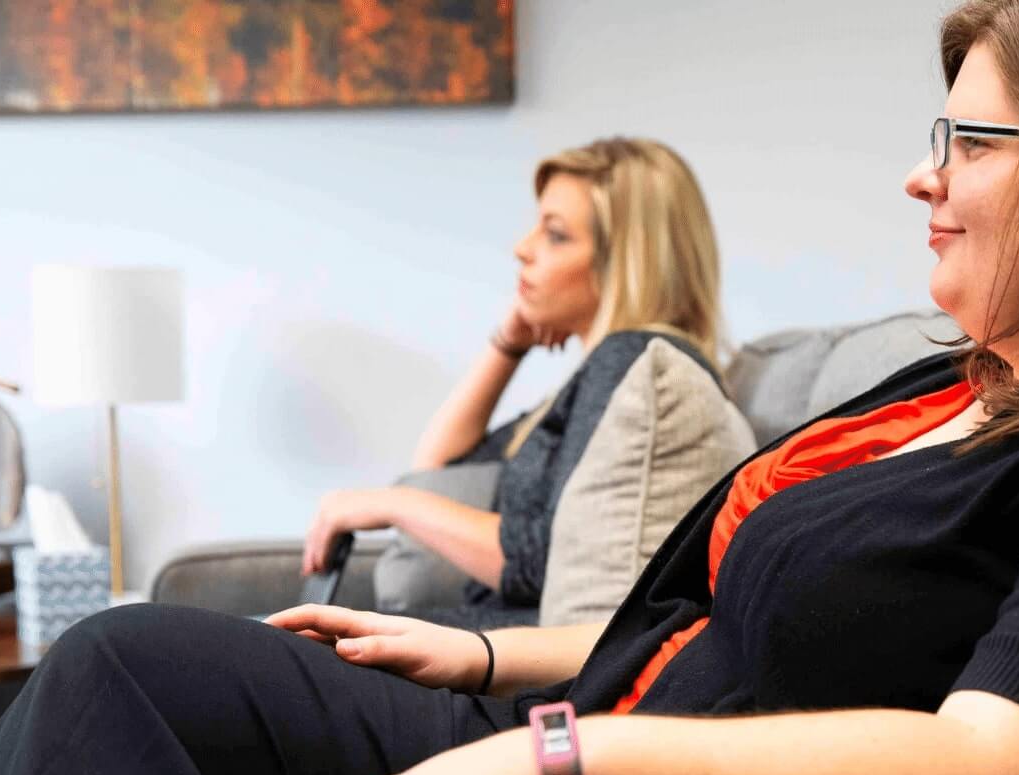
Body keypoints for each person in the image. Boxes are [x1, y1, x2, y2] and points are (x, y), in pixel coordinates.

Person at [0, 1, 1019, 775]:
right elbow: (722, 616)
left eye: (969, 145)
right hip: (572, 715)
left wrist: (558, 759)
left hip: (610, 771)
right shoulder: (950, 387)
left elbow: (1010, 771)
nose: (922, 180)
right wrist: (492, 659)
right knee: (131, 651)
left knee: (122, 676)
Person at [299, 137, 752, 629]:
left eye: (555, 235)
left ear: (622, 263)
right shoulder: (610, 374)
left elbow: (541, 563)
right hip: (475, 637)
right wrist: (507, 346)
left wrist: (393, 503)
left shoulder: (631, 360)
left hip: (494, 656)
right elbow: (441, 473)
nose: (522, 248)